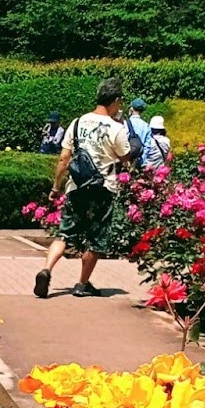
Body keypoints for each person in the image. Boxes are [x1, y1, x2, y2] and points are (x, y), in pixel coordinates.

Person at [34, 77, 130, 300]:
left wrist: (56, 187)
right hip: (103, 189)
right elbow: (126, 157)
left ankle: (47, 269)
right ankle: (82, 284)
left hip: (76, 187)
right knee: (96, 239)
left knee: (64, 234)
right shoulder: (116, 128)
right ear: (115, 100)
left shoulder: (77, 123)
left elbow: (64, 159)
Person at [126, 97, 150, 165]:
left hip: (127, 161)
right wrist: (142, 161)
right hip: (139, 160)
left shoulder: (126, 123)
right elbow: (147, 146)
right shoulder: (146, 126)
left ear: (131, 109)